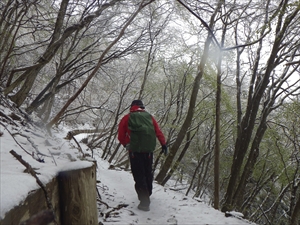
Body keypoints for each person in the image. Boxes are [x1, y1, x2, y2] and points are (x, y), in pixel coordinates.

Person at [118, 100, 167, 211]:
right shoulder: (149, 117)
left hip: (135, 152)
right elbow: (158, 132)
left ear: (132, 107)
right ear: (142, 107)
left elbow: (121, 136)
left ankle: (144, 202)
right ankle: (147, 193)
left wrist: (127, 144)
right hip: (148, 151)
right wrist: (164, 144)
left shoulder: (127, 118)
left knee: (138, 175)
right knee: (147, 172)